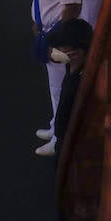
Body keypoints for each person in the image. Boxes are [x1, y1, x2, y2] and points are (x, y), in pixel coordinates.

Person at [32, 0, 85, 157]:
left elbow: (72, 7)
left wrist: (57, 38)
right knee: (54, 86)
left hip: (55, 33)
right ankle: (55, 126)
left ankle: (59, 138)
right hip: (46, 30)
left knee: (60, 88)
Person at [44, 18, 93, 157]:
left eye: (60, 47)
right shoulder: (70, 69)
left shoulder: (80, 85)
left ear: (77, 53)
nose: (54, 51)